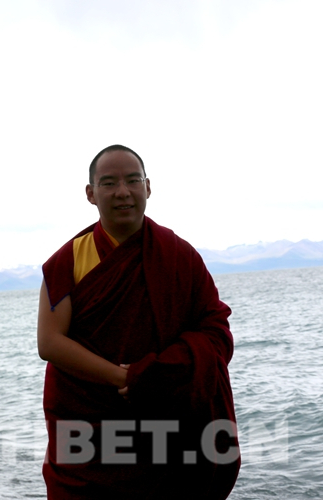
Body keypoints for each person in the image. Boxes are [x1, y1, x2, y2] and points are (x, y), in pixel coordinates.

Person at [37, 145, 240, 499]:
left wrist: (158, 374)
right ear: (91, 193)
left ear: (148, 187)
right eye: (109, 183)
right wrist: (127, 379)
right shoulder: (67, 260)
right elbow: (50, 342)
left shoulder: (179, 255)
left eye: (133, 181)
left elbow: (216, 331)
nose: (123, 192)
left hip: (164, 417)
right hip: (88, 421)